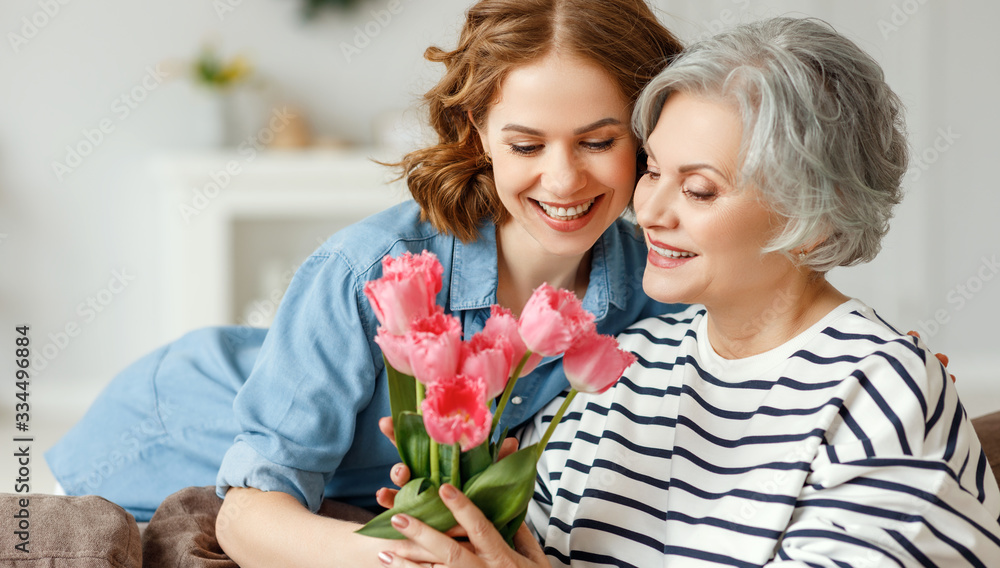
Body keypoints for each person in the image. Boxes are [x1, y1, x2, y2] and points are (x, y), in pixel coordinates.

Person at [44, 0, 685, 564]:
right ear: (478, 132)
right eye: (526, 146)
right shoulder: (371, 268)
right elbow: (246, 513)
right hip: (171, 436)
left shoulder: (649, 282)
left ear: (645, 136)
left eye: (598, 141)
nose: (565, 180)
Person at [380, 17, 1000, 567]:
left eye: (699, 190)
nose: (647, 210)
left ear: (815, 217)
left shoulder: (881, 391)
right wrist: (455, 509)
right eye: (652, 170)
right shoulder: (624, 362)